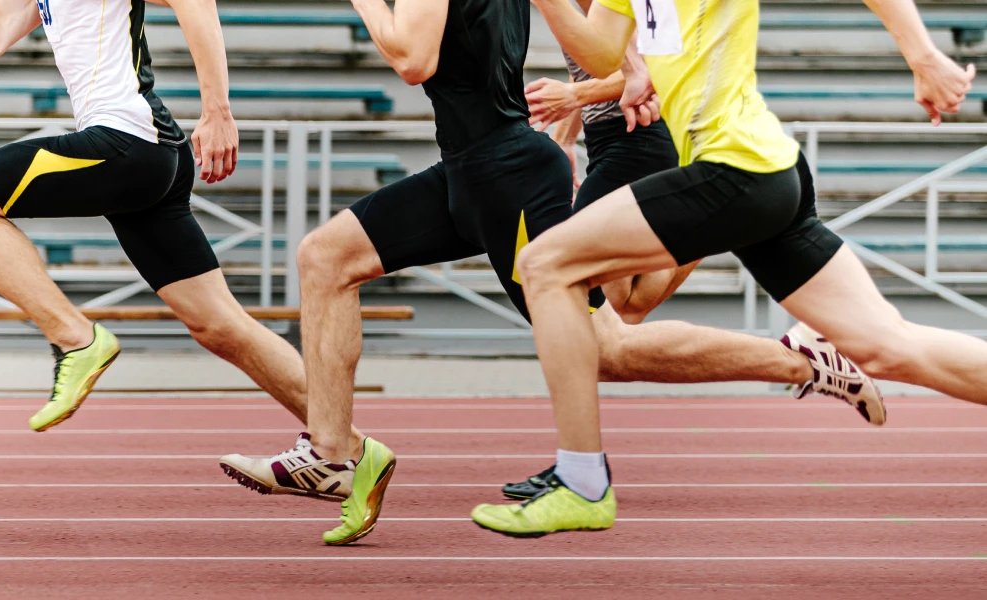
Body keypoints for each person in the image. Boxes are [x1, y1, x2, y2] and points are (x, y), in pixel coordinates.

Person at [221, 0, 882, 546]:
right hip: (470, 171)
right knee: (326, 257)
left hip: (505, 175)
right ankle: (336, 455)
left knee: (607, 348)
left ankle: (804, 361)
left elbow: (412, 58)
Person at [471, 0, 980, 537]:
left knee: (546, 264)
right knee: (887, 346)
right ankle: (581, 481)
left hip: (736, 167)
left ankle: (580, 482)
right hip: (762, 170)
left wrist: (922, 55)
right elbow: (601, 53)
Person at [0, 0, 345, 453]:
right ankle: (347, 446)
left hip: (126, 140)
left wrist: (217, 109)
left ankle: (75, 338)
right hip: (144, 150)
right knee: (220, 327)